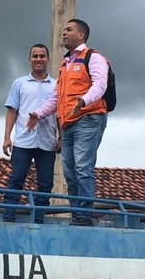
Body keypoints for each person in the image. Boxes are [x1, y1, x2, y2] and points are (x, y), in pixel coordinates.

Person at [26, 19, 108, 226]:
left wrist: (84, 100)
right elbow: (57, 98)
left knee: (82, 168)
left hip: (88, 118)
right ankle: (77, 215)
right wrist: (39, 114)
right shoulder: (66, 64)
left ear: (81, 35)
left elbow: (100, 84)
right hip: (68, 123)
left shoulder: (94, 57)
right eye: (63, 31)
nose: (64, 34)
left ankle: (85, 216)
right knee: (70, 171)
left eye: (68, 30)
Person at [2, 44, 57, 223]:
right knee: (17, 178)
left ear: (48, 59)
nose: (39, 59)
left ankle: (39, 218)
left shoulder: (56, 85)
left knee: (46, 183)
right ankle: (9, 215)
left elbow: (61, 114)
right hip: (23, 141)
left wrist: (61, 137)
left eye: (42, 56)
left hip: (47, 141)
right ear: (29, 59)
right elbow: (12, 111)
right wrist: (6, 137)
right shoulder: (19, 83)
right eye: (35, 56)